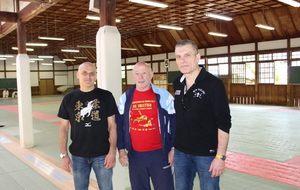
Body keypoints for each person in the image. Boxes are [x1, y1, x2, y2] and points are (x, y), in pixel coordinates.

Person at [172, 40, 232, 190]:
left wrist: (220, 157)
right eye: (178, 57)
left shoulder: (213, 84)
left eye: (187, 55)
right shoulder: (177, 83)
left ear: (197, 57)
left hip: (207, 155)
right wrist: (173, 148)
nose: (182, 60)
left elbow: (224, 121)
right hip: (181, 153)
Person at [57, 62, 118, 190]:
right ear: (78, 75)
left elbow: (112, 125)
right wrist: (64, 154)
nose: (88, 76)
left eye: (92, 73)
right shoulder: (69, 98)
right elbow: (63, 128)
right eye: (84, 72)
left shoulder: (106, 96)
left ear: (96, 76)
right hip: (78, 155)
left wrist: (112, 151)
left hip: (102, 154)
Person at [117, 62, 176, 190]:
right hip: (135, 156)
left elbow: (175, 123)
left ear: (151, 75)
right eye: (137, 74)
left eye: (144, 73)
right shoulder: (125, 98)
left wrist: (172, 148)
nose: (141, 77)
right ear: (133, 76)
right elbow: (120, 126)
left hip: (160, 154)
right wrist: (121, 150)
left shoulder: (164, 96)